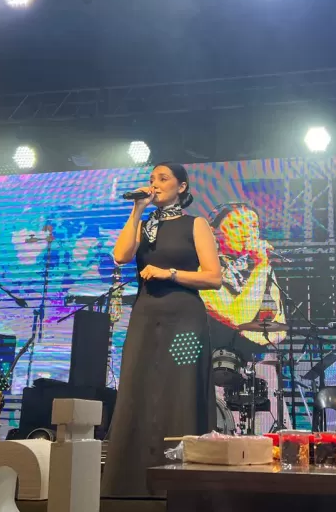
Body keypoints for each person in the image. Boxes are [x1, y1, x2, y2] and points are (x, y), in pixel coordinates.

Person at [101, 163, 222, 497]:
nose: (154, 184)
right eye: (152, 179)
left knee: (181, 392)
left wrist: (170, 273)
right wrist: (137, 209)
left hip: (184, 320)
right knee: (136, 389)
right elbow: (120, 255)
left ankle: (184, 485)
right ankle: (129, 484)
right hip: (145, 315)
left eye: (163, 179)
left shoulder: (195, 224)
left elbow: (214, 277)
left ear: (181, 187)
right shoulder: (143, 224)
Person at [201, 203, 286, 347]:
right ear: (213, 232)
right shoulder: (203, 270)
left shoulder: (263, 267)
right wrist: (260, 265)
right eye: (236, 226)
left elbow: (279, 323)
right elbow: (238, 318)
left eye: (253, 226)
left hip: (262, 354)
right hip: (218, 354)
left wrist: (259, 339)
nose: (247, 233)